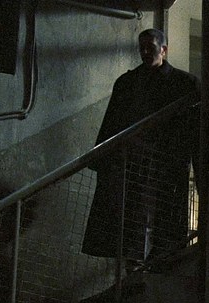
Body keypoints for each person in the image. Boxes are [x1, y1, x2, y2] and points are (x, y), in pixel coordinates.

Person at [83, 28, 200, 266]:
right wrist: (105, 162)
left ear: (164, 50)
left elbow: (196, 130)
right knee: (133, 218)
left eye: (151, 48)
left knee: (165, 217)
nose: (145, 52)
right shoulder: (128, 83)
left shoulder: (186, 84)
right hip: (134, 165)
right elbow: (112, 124)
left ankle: (161, 262)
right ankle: (134, 265)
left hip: (168, 165)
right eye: (142, 48)